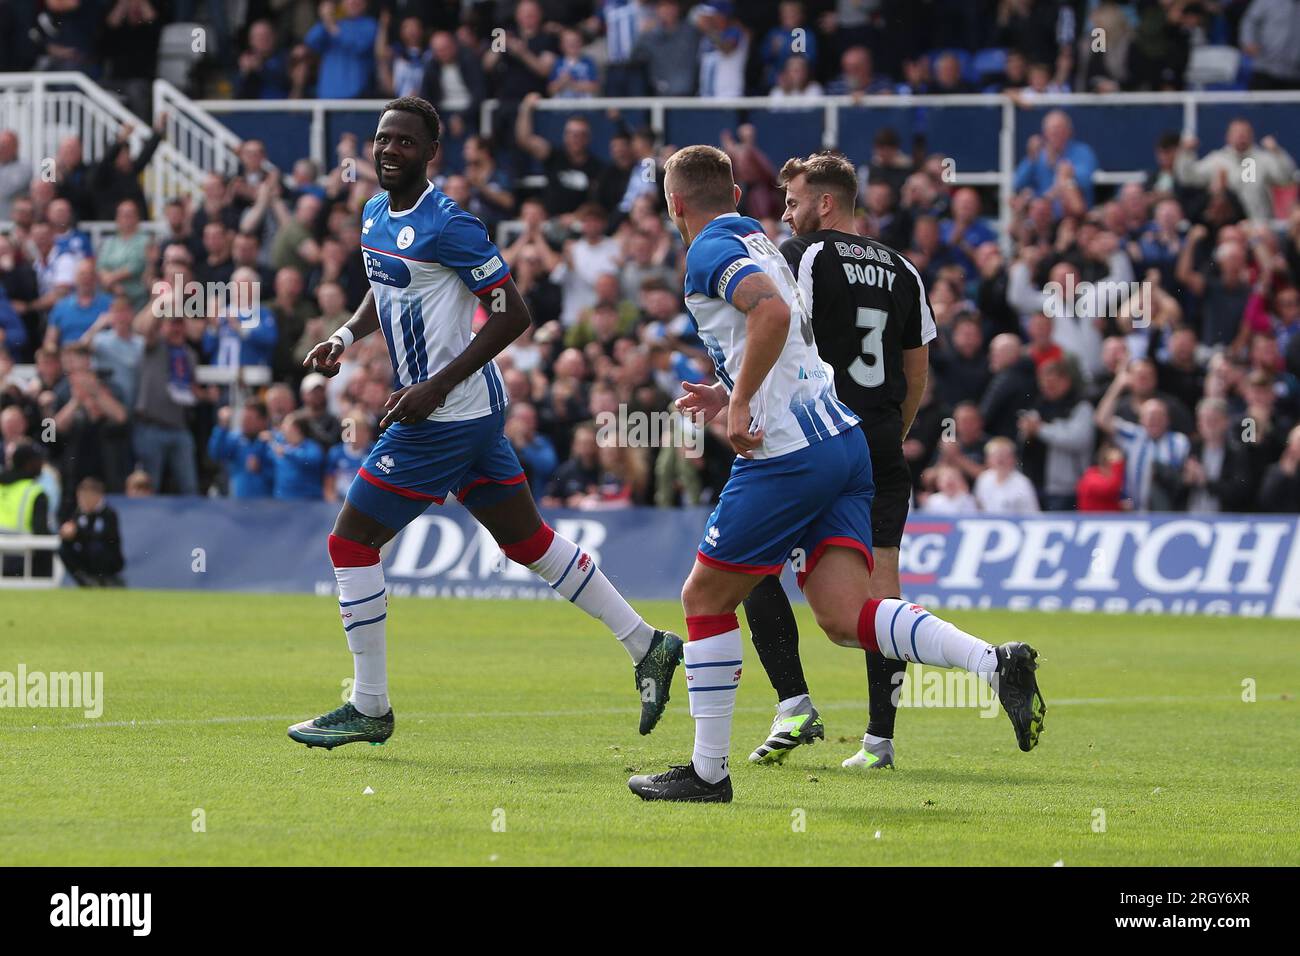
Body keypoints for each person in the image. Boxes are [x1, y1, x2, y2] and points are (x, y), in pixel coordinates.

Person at [630, 145, 1045, 803]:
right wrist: (729, 386)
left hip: (790, 453)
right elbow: (788, 338)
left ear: (673, 203)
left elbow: (771, 315)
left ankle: (708, 773)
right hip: (846, 441)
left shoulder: (709, 251)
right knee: (847, 616)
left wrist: (739, 404)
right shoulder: (761, 240)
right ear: (737, 195)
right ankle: (992, 663)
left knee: (704, 600)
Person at [287, 97, 682, 751]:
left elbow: (513, 313)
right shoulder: (374, 213)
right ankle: (649, 645)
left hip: (445, 412)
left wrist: (433, 387)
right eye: (383, 139)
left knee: (350, 543)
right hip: (461, 407)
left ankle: (370, 705)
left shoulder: (452, 225)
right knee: (527, 542)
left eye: (405, 142)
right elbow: (383, 286)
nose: (389, 150)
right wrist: (345, 334)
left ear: (430, 153)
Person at [720, 151, 937, 772]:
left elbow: (784, 336)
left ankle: (793, 704)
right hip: (880, 446)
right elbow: (916, 368)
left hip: (815, 439)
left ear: (825, 203)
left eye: (792, 202)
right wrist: (892, 431)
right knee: (881, 597)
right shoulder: (903, 268)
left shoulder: (802, 258)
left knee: (749, 562)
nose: (785, 215)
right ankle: (879, 743)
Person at [58, 477, 125, 587]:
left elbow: (107, 538)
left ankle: (104, 580)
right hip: (86, 558)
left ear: (97, 496)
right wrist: (67, 535)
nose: (82, 501)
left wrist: (78, 533)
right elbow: (74, 533)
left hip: (108, 560)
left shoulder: (108, 514)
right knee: (63, 549)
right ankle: (84, 580)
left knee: (96, 547)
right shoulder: (78, 513)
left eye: (85, 497)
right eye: (80, 497)